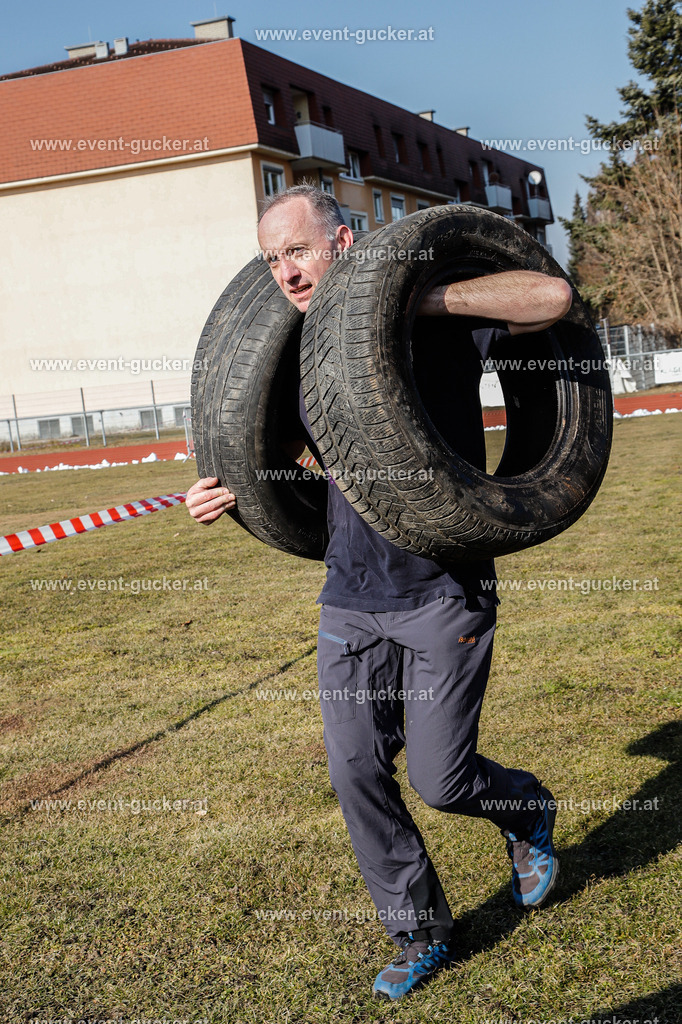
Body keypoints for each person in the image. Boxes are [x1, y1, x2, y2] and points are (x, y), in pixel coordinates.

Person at [186, 185, 573, 1001]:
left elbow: (551, 297)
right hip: (350, 595)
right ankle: (420, 930)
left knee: (441, 779)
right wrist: (226, 492)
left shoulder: (436, 324)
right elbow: (291, 449)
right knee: (357, 772)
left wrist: (411, 294)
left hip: (442, 589)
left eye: (296, 250)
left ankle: (525, 810)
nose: (285, 273)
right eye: (271, 259)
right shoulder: (300, 353)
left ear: (345, 241)